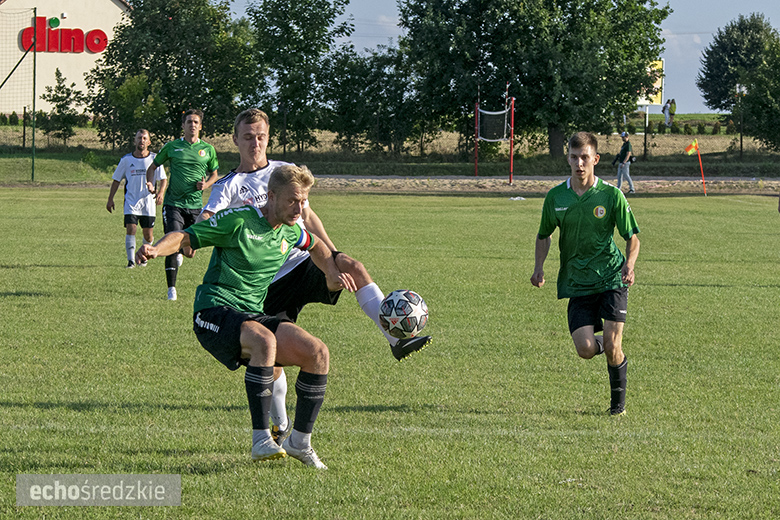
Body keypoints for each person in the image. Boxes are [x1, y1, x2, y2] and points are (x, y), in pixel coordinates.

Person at [198, 108, 432, 443]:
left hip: (304, 262)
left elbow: (309, 215)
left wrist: (333, 256)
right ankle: (279, 422)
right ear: (235, 140)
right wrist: (192, 231)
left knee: (353, 266)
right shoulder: (229, 185)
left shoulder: (283, 171)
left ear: (269, 137)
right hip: (267, 282)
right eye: (248, 137)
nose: (255, 143)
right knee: (274, 357)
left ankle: (396, 338)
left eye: (261, 136)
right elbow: (209, 218)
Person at [136, 165, 356, 469]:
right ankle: (260, 439)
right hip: (213, 310)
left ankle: (299, 441)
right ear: (272, 196)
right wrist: (155, 249)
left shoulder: (291, 231)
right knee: (264, 341)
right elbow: (185, 237)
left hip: (251, 315)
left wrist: (331, 272)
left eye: (303, 201)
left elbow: (316, 245)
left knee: (317, 353)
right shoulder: (239, 220)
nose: (299, 208)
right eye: (293, 200)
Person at [531, 131, 640, 416]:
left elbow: (633, 237)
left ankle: (618, 408)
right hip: (577, 282)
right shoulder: (556, 197)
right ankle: (612, 345)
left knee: (615, 346)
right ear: (567, 158)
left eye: (584, 158)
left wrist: (629, 264)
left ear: (595, 159)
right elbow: (544, 235)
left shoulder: (610, 195)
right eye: (574, 157)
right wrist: (539, 267)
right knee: (586, 349)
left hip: (611, 277)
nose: (579, 163)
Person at [146, 109, 219, 301]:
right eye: (189, 122)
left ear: (200, 126)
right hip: (173, 204)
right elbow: (152, 167)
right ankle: (171, 289)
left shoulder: (208, 150)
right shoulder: (172, 147)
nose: (192, 125)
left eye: (196, 122)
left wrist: (206, 185)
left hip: (195, 206)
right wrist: (150, 183)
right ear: (183, 126)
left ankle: (180, 250)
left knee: (190, 252)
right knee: (171, 238)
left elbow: (214, 174)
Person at [107, 129, 167, 268]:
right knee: (131, 228)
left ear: (149, 142)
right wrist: (110, 199)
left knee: (148, 235)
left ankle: (144, 256)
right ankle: (130, 261)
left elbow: (163, 179)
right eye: (139, 138)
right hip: (131, 201)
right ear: (134, 141)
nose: (142, 141)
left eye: (145, 138)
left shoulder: (155, 159)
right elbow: (116, 180)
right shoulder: (126, 160)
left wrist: (160, 193)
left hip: (148, 203)